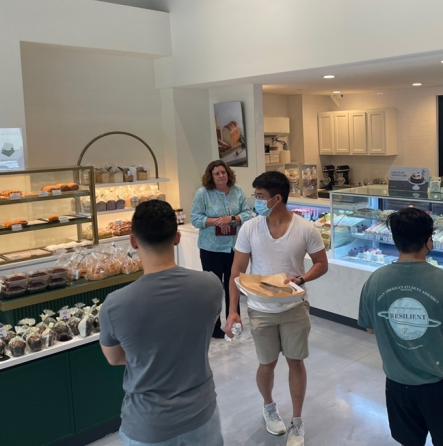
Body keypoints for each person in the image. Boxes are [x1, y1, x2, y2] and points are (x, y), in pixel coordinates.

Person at [100, 200, 224, 446]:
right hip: (202, 415)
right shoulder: (210, 286)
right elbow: (201, 332)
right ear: (177, 237)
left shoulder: (115, 304)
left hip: (147, 426)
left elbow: (114, 358)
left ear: (133, 241)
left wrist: (150, 352)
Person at [358, 208, 443, 446]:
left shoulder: (375, 280)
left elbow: (370, 328)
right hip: (441, 385)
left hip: (396, 382)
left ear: (395, 240)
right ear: (429, 241)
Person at [224, 171, 328, 446]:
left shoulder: (306, 228)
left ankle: (296, 421)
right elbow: (237, 269)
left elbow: (321, 263)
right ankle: (268, 406)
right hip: (260, 310)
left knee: (296, 362)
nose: (255, 201)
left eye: (260, 197)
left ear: (277, 198)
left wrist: (302, 278)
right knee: (266, 363)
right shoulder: (249, 228)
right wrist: (233, 309)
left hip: (294, 307)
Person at [191, 160, 252, 338]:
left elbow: (247, 214)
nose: (221, 176)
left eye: (223, 172)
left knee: (234, 285)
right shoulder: (203, 193)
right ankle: (214, 325)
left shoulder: (238, 191)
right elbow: (195, 218)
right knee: (214, 289)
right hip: (211, 249)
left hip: (235, 247)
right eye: (217, 173)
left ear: (228, 174)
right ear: (211, 176)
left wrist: (231, 218)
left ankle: (234, 321)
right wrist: (216, 221)